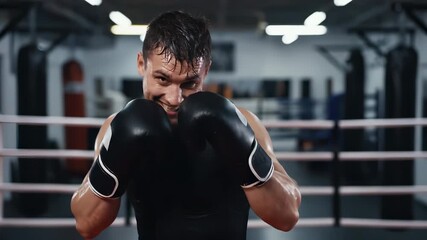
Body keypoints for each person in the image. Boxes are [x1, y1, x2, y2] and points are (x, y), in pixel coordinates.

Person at [71, 10, 301, 240]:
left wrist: (240, 148)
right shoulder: (117, 126)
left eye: (190, 82)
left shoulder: (243, 121)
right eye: (163, 79)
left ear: (206, 71)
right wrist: (118, 152)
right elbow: (86, 224)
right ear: (142, 64)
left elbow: (287, 215)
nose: (174, 98)